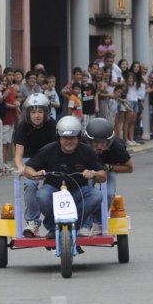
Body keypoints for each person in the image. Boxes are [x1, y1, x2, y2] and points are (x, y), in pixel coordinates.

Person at [24, 116, 107, 239]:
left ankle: (75, 225)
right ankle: (53, 226)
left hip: (77, 191)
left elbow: (103, 175)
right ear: (59, 138)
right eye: (65, 138)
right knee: (42, 195)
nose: (69, 141)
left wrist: (93, 174)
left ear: (78, 137)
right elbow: (28, 169)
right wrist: (35, 174)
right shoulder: (48, 150)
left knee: (96, 195)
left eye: (72, 138)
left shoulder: (87, 151)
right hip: (53, 190)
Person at [14, 93, 57, 237]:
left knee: (56, 185)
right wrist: (21, 168)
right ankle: (33, 222)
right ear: (27, 113)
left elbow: (57, 149)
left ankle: (57, 221)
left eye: (40, 111)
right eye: (33, 112)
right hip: (30, 159)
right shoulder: (22, 126)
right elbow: (19, 154)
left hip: (50, 158)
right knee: (30, 184)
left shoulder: (52, 125)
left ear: (46, 112)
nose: (37, 115)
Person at [83, 118, 133, 235]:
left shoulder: (117, 147)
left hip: (109, 169)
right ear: (89, 140)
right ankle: (85, 223)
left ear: (109, 141)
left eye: (103, 142)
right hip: (89, 169)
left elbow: (130, 168)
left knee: (109, 193)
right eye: (96, 142)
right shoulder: (81, 143)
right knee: (88, 191)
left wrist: (110, 168)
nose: (99, 146)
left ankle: (99, 222)